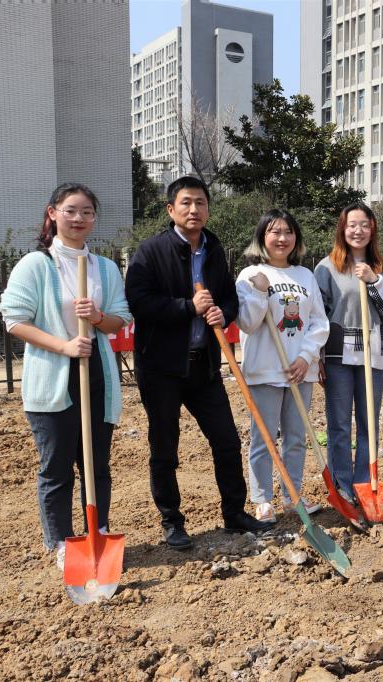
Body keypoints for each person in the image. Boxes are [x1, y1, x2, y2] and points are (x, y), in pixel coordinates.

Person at [126, 176, 273, 550]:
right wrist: (187, 308)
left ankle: (234, 512)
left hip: (203, 366)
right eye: (186, 203)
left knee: (226, 441)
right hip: (161, 368)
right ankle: (172, 521)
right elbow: (140, 302)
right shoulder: (151, 252)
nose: (194, 210)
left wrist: (223, 313)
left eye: (201, 203)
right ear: (171, 209)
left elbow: (228, 298)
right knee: (165, 447)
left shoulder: (214, 249)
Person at [0, 184, 131, 569]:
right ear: (53, 213)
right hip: (53, 376)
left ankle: (98, 530)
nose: (79, 218)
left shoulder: (104, 268)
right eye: (71, 210)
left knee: (96, 463)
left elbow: (120, 318)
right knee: (57, 466)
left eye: (87, 212)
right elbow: (14, 320)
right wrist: (65, 346)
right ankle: (60, 540)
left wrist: (97, 318)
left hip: (98, 375)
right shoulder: (36, 264)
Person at [236, 209, 330, 522]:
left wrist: (306, 357)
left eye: (288, 232)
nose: (282, 238)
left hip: (300, 370)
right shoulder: (250, 275)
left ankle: (293, 495)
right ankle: (262, 499)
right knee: (264, 438)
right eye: (274, 232)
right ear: (262, 236)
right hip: (264, 370)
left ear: (296, 238)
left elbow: (318, 322)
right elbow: (247, 323)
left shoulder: (305, 276)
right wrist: (260, 291)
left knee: (295, 437)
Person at [315, 203, 383, 502]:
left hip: (373, 351)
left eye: (364, 225)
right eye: (352, 225)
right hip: (337, 355)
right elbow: (317, 315)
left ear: (372, 229)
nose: (358, 231)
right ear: (342, 229)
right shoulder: (327, 267)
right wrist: (317, 356)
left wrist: (373, 280)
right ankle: (341, 485)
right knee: (339, 423)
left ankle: (365, 484)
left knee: (369, 422)